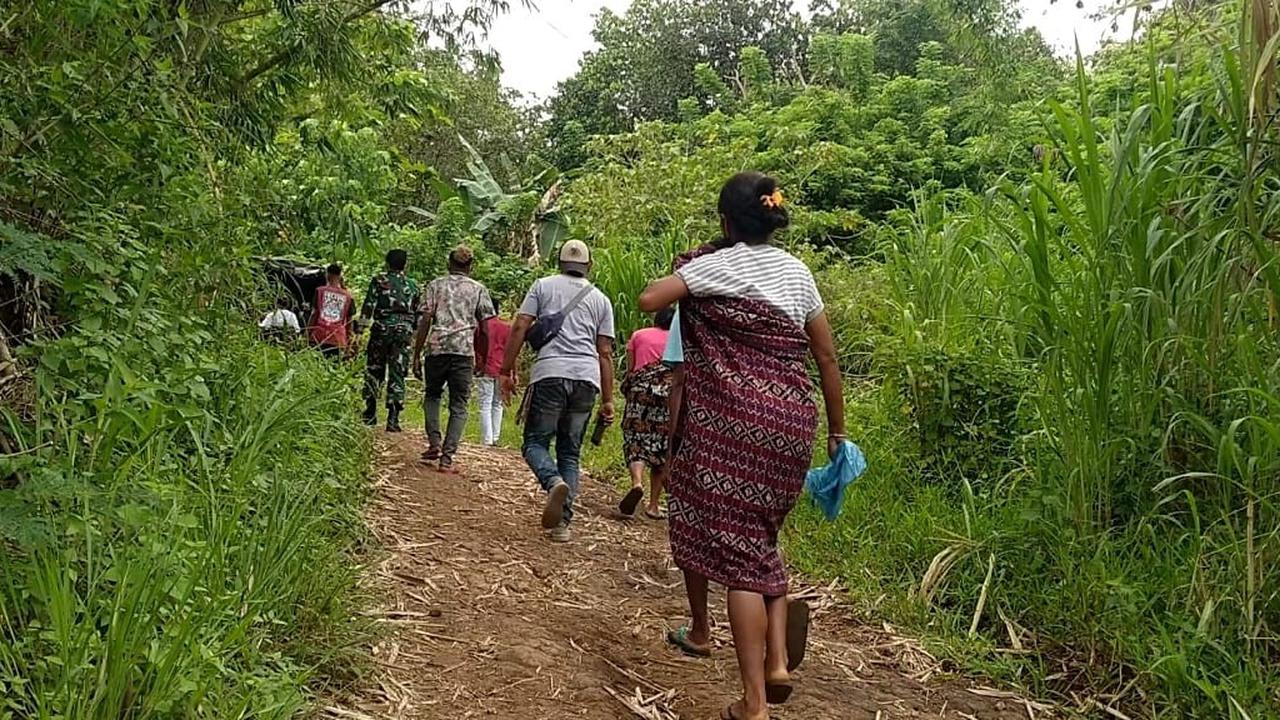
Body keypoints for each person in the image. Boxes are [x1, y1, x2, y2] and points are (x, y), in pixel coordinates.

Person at [637, 172, 845, 720]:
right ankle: (776, 660)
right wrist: (837, 431)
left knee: (737, 561)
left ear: (727, 223)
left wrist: (703, 258)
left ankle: (754, 702)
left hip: (731, 424)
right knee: (760, 536)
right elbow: (826, 357)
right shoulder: (798, 273)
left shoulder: (714, 266)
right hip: (792, 423)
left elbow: (648, 298)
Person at [499, 240, 615, 544]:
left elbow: (520, 326)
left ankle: (552, 483)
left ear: (560, 264)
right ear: (588, 266)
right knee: (570, 451)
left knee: (535, 442)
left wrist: (505, 369)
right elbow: (605, 352)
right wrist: (608, 399)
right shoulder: (601, 299)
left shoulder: (542, 286)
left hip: (550, 372)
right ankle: (563, 524)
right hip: (587, 379)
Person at [412, 246, 494, 473]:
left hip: (437, 349)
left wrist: (417, 354)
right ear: (470, 267)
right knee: (459, 405)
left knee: (432, 395)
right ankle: (447, 457)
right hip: (463, 351)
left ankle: (434, 442)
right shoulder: (479, 289)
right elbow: (486, 328)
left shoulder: (435, 285)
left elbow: (425, 319)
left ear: (449, 264)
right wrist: (483, 357)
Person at [617, 307, 676, 520]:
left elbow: (631, 369)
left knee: (635, 441)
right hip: (665, 398)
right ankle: (653, 505)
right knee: (660, 447)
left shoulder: (639, 335)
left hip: (639, 395)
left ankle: (637, 483)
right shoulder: (678, 341)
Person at [362, 249, 419, 431]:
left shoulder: (379, 281)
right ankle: (393, 418)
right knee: (398, 372)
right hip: (403, 332)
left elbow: (369, 306)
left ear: (387, 263)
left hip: (381, 329)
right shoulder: (412, 285)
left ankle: (370, 412)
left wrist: (359, 328)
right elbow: (417, 313)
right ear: (405, 265)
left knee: (374, 369)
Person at [474, 297, 512, 446]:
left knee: (485, 403)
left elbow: (477, 348)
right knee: (498, 403)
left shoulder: (481, 327)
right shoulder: (506, 327)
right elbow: (511, 351)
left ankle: (487, 440)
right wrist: (512, 373)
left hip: (486, 368)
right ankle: (495, 437)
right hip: (502, 368)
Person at [309, 264, 355, 359]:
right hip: (337, 338)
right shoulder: (348, 296)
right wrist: (348, 344)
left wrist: (307, 334)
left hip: (319, 335)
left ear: (327, 275)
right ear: (340, 276)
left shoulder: (319, 291)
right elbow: (349, 322)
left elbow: (314, 314)